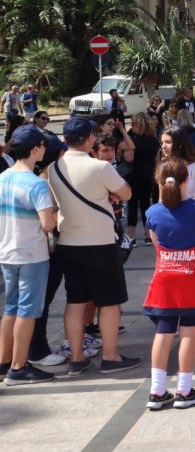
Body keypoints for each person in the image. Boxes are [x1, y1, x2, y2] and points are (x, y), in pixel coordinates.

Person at [48, 116, 140, 375]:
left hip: (68, 242)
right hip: (99, 243)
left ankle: (77, 358)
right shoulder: (99, 167)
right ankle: (111, 356)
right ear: (90, 138)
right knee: (110, 302)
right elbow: (126, 193)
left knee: (75, 301)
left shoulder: (55, 168)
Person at [143, 158, 195, 410]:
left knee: (163, 332)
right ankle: (184, 390)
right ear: (186, 181)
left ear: (159, 182)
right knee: (189, 331)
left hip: (165, 277)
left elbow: (156, 242)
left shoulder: (152, 213)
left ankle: (156, 391)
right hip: (192, 278)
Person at [0, 125, 58, 385]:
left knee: (10, 307)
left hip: (7, 251)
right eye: (42, 145)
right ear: (35, 149)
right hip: (32, 254)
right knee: (28, 310)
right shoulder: (36, 184)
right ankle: (19, 366)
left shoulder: (2, 177)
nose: (45, 149)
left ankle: (4, 362)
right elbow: (48, 224)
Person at [126, 113, 160, 244]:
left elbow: (130, 159)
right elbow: (157, 161)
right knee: (146, 205)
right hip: (149, 175)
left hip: (133, 175)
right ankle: (148, 236)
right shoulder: (154, 141)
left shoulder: (132, 141)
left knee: (132, 206)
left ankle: (132, 237)